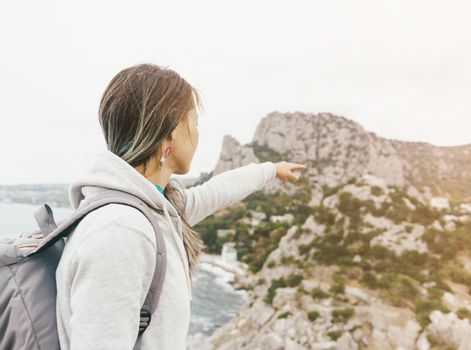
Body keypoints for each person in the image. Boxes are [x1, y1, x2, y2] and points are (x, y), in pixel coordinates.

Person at [55, 62, 306, 350]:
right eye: (194, 123)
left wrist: (270, 169)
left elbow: (215, 192)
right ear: (172, 131)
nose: (198, 135)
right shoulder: (120, 232)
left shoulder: (157, 208)